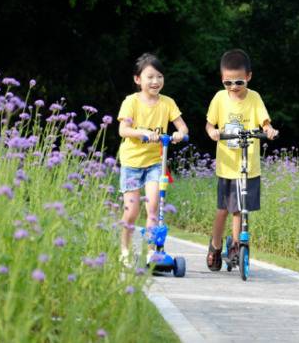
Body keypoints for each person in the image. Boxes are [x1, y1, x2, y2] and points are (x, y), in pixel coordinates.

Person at [205, 49, 278, 271]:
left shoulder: (254, 98)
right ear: (222, 80)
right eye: (228, 82)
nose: (233, 87)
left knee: (240, 208)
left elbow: (264, 122)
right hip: (227, 165)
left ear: (248, 77)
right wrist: (213, 132)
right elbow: (210, 124)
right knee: (223, 210)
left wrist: (269, 129)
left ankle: (237, 245)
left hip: (247, 165)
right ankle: (216, 245)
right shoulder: (219, 98)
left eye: (238, 81)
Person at [117, 53, 188, 266]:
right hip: (131, 163)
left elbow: (183, 127)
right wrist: (142, 133)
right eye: (150, 77)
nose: (155, 81)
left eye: (159, 76)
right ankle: (125, 251)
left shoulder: (167, 103)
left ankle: (151, 252)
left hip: (155, 163)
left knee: (154, 207)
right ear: (138, 79)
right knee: (131, 212)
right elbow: (123, 129)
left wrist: (178, 134)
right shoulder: (131, 102)